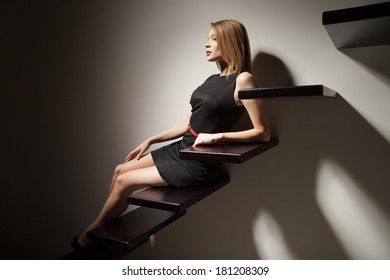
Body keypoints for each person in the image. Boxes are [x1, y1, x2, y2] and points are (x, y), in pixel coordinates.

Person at [71, 19, 271, 249]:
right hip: (181, 149)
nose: (206, 44)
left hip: (198, 162)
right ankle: (109, 224)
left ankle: (91, 232)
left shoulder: (244, 79)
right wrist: (151, 139)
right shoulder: (212, 80)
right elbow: (187, 124)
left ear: (230, 42)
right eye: (207, 38)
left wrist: (219, 137)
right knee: (119, 170)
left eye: (214, 39)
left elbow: (263, 132)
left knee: (125, 182)